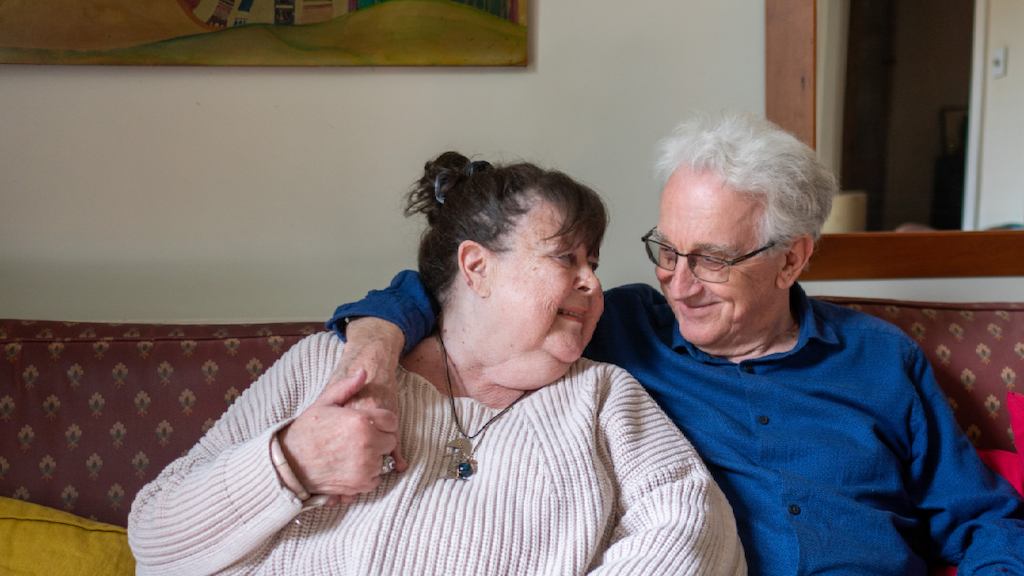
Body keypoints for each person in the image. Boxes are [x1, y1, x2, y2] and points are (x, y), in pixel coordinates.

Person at [326, 114, 1024, 575]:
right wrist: (378, 337)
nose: (678, 284)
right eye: (667, 249)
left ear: (791, 260)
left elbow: (983, 519)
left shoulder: (881, 358)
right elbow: (459, 293)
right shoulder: (621, 328)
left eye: (713, 259)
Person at [128, 151, 746, 575]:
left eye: (596, 263)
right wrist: (291, 462)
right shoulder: (331, 367)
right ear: (476, 267)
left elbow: (697, 534)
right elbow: (155, 543)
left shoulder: (603, 397)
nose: (592, 283)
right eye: (566, 259)